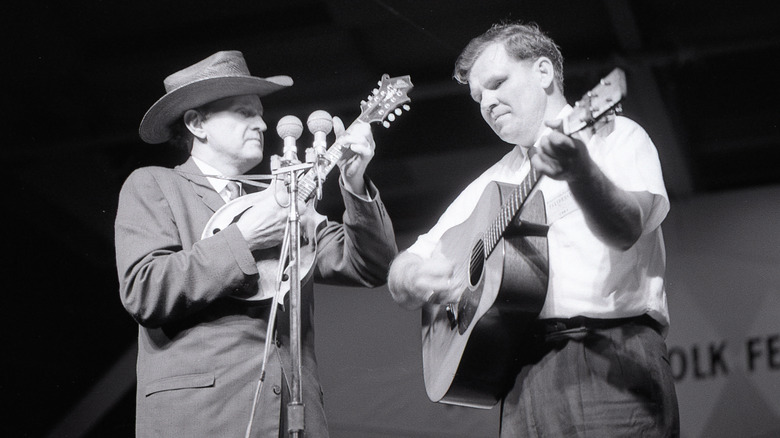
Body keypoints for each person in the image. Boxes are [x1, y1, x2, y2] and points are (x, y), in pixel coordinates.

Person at [387, 22, 679, 437]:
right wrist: (414, 277)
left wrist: (579, 172)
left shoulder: (614, 138)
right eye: (478, 96)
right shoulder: (490, 184)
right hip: (519, 377)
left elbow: (626, 229)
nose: (487, 102)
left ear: (543, 72)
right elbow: (405, 267)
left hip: (608, 362)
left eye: (497, 83)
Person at [115, 50, 397, 437]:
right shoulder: (155, 185)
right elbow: (144, 290)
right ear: (197, 124)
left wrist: (354, 182)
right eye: (244, 112)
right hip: (203, 418)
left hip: (292, 419)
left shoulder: (282, 198)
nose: (261, 124)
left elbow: (371, 266)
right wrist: (245, 239)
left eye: (260, 113)